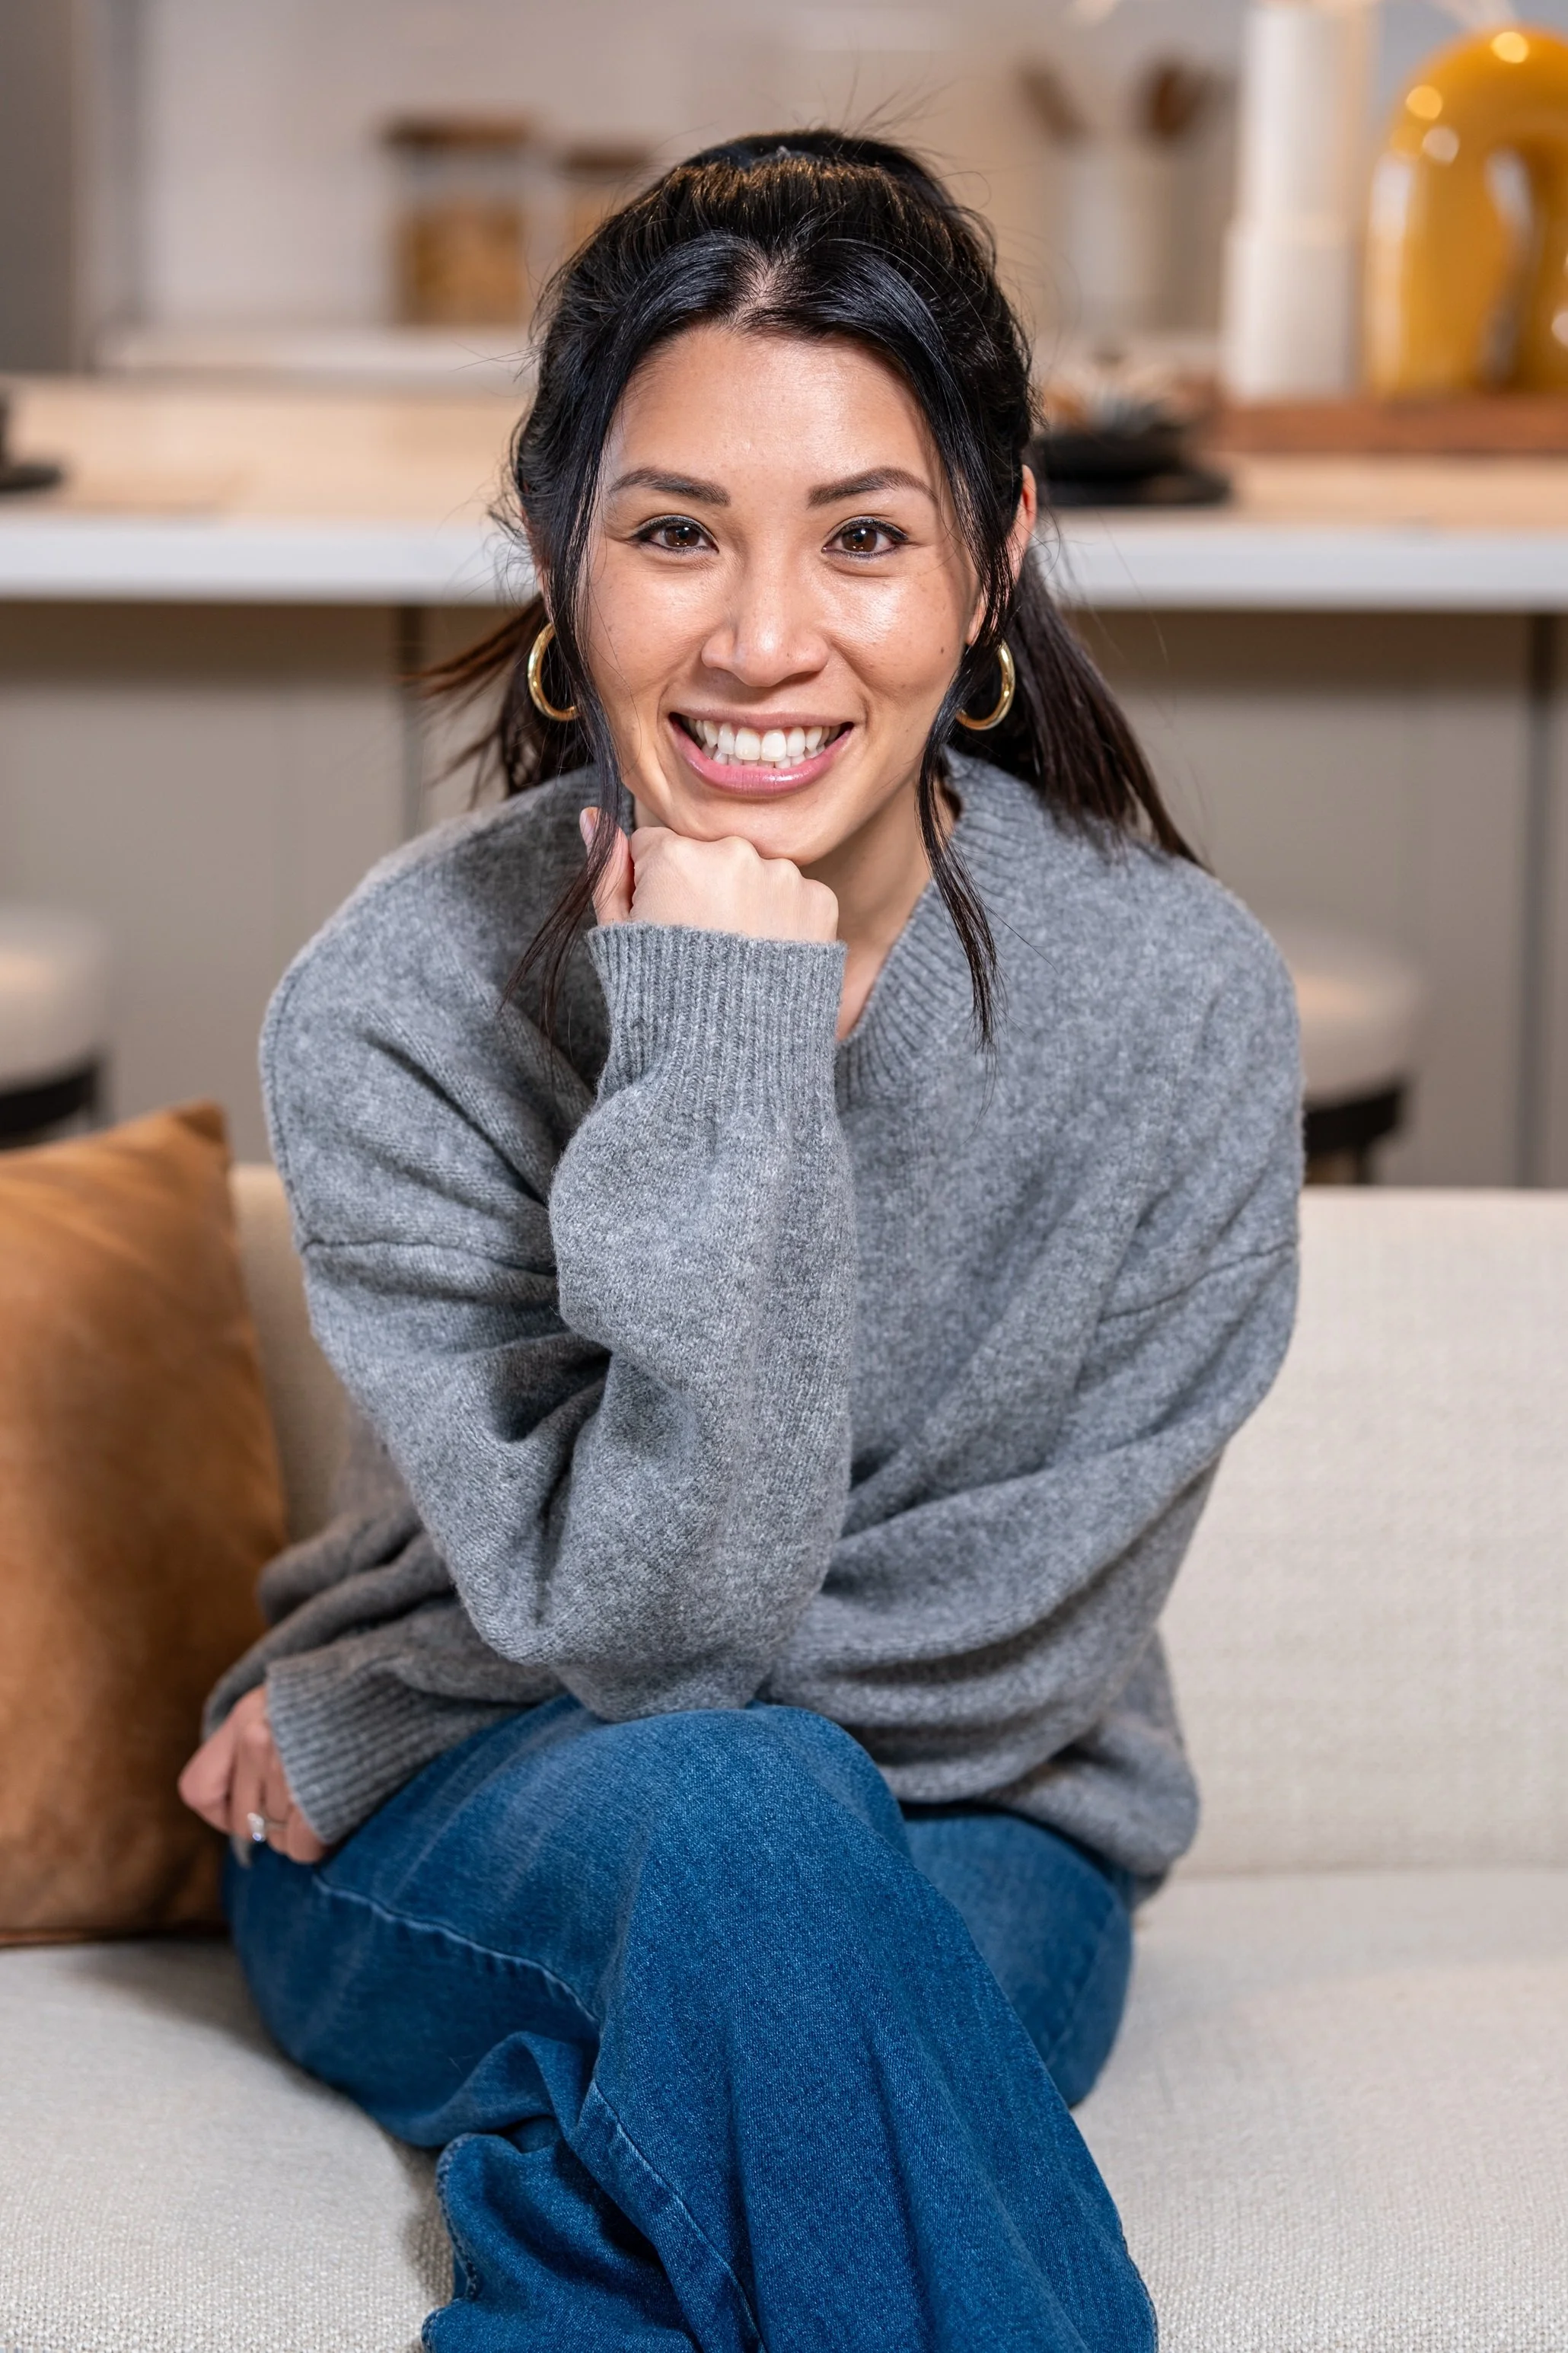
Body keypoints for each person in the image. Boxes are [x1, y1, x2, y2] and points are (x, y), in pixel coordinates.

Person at [180, 131, 1300, 2351]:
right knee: (753, 1824)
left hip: (979, 1829)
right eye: (674, 534)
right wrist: (718, 1044)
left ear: (991, 565)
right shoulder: (405, 1004)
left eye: (864, 539)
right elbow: (668, 1658)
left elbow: (1012, 1656)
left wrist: (393, 1698)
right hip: (481, 1838)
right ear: (554, 555)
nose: (764, 639)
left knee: (732, 1981)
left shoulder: (1174, 1001)